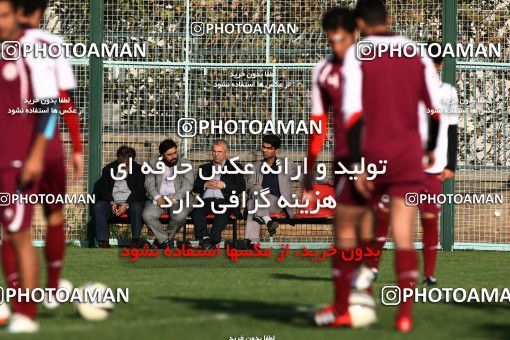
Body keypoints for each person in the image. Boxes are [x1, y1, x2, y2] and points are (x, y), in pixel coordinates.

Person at [342, 0, 441, 332]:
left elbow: (352, 116)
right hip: (408, 156)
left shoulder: (358, 55)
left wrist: (356, 163)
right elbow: (435, 110)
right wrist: (429, 148)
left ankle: (364, 300)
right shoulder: (417, 53)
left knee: (367, 231)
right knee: (402, 234)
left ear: (359, 23)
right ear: (389, 18)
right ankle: (404, 316)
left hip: (374, 155)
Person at [305, 6, 375, 328]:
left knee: (356, 227)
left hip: (375, 157)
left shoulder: (371, 67)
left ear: (356, 34)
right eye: (331, 41)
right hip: (347, 160)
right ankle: (355, 301)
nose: (337, 47)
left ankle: (346, 306)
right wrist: (309, 171)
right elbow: (318, 128)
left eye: (343, 40)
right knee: (353, 228)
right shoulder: (323, 70)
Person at [13, 0, 84, 311]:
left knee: (16, 226)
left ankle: (18, 295)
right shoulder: (52, 44)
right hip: (52, 147)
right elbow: (62, 100)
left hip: (17, 150)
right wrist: (78, 147)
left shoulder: (10, 48)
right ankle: (52, 288)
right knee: (55, 215)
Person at [370, 44, 459, 286]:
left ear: (440, 64)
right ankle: (371, 268)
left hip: (432, 169)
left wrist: (450, 163)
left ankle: (429, 274)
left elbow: (451, 129)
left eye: (434, 61)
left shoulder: (447, 92)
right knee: (384, 215)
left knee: (429, 219)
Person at [0, 0, 61, 332]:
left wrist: (36, 154)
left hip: (15, 162)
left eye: (4, 15)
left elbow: (49, 106)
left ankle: (26, 314)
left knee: (19, 235)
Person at [245, 135, 300, 244]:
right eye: (263, 147)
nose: (265, 150)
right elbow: (250, 185)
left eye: (269, 148)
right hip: (260, 201)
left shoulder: (286, 164)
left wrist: (326, 180)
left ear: (276, 150)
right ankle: (264, 227)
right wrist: (256, 188)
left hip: (277, 203)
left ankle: (253, 241)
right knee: (253, 201)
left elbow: (303, 176)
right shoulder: (254, 166)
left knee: (253, 204)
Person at [192, 139, 246, 248]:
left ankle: (211, 240)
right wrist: (205, 184)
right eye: (214, 151)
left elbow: (241, 187)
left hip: (225, 200)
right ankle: (206, 239)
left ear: (226, 152)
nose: (216, 154)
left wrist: (224, 185)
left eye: (219, 152)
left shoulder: (235, 167)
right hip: (206, 200)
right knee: (197, 211)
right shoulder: (204, 168)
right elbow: (196, 188)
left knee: (223, 211)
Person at [143, 139, 194, 249]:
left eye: (175, 153)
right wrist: (157, 197)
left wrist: (174, 199)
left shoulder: (186, 164)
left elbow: (188, 186)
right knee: (147, 215)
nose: (174, 156)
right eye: (169, 155)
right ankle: (165, 240)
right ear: (162, 155)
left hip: (179, 198)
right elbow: (149, 184)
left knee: (180, 216)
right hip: (159, 198)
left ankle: (161, 241)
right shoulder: (152, 163)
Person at [92, 146, 146, 248]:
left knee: (137, 207)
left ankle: (135, 241)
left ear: (132, 160)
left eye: (127, 163)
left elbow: (140, 192)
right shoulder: (108, 169)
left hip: (131, 203)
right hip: (113, 203)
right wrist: (111, 202)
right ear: (118, 159)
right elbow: (104, 190)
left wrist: (127, 204)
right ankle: (103, 241)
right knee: (99, 206)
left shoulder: (139, 170)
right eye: (122, 162)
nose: (125, 165)